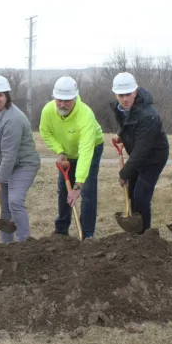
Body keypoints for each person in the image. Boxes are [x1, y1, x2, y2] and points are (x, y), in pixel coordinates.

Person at [39, 76, 104, 239]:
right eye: (59, 100)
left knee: (87, 191)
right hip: (66, 152)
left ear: (75, 98)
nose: (62, 104)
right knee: (63, 189)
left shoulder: (85, 115)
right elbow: (45, 132)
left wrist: (78, 186)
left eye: (67, 101)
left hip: (91, 148)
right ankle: (61, 230)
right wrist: (60, 151)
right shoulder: (48, 110)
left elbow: (85, 152)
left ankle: (87, 234)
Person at [0, 75, 41, 243]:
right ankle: (6, 245)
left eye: (0, 95)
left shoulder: (13, 118)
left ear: (7, 97)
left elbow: (10, 154)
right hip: (5, 163)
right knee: (4, 207)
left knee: (14, 201)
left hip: (23, 164)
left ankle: (24, 242)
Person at [111, 72, 169, 233]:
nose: (125, 99)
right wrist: (121, 134)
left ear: (135, 92)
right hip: (138, 153)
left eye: (128, 94)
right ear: (115, 94)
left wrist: (124, 173)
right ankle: (135, 231)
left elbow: (142, 149)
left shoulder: (148, 115)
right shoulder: (123, 108)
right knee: (131, 192)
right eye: (121, 95)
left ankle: (145, 236)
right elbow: (129, 123)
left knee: (141, 195)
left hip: (154, 157)